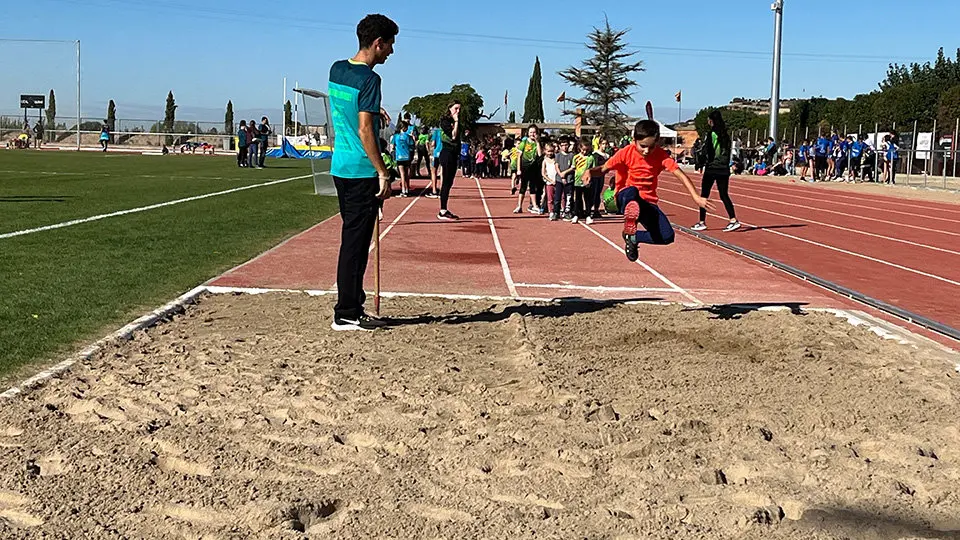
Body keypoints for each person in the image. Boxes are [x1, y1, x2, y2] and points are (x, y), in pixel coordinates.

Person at [327, 13, 398, 330]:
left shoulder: (337, 69)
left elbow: (347, 108)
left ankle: (352, 304)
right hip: (360, 171)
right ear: (377, 43)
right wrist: (382, 171)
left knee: (352, 240)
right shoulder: (371, 80)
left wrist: (370, 108)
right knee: (355, 245)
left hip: (339, 168)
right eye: (390, 45)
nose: (391, 52)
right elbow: (365, 131)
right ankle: (346, 312)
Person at [581, 120, 713, 262]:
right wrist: (589, 172)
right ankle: (631, 211)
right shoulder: (625, 153)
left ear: (657, 142)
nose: (646, 151)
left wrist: (696, 197)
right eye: (642, 146)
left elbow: (680, 174)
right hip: (624, 196)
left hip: (647, 202)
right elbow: (602, 169)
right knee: (632, 191)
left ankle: (632, 237)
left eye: (651, 147)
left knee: (667, 236)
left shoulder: (661, 156)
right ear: (634, 140)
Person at [691, 110, 739, 232]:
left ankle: (702, 222)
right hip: (724, 169)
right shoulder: (726, 135)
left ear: (711, 121)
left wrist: (699, 163)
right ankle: (733, 219)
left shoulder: (711, 134)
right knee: (724, 194)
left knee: (704, 195)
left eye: (708, 119)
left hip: (712, 168)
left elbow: (707, 151)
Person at [437, 100, 462, 220]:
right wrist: (456, 121)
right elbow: (453, 135)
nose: (458, 111)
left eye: (459, 109)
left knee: (450, 182)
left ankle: (444, 209)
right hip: (446, 153)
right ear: (450, 108)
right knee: (446, 182)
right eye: (456, 108)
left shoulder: (456, 121)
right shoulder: (445, 121)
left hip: (454, 154)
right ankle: (442, 210)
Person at [513, 125, 542, 213]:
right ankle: (519, 206)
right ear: (528, 133)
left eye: (534, 132)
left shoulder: (537, 143)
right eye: (531, 132)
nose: (532, 134)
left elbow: (540, 154)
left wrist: (537, 142)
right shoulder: (524, 143)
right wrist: (518, 169)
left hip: (534, 168)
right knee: (523, 187)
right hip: (524, 167)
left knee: (533, 187)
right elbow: (519, 156)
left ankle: (534, 206)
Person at [571, 138, 595, 224]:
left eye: (586, 150)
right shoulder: (576, 157)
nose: (584, 152)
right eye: (583, 150)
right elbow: (573, 168)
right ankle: (576, 214)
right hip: (577, 181)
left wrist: (589, 180)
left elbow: (592, 169)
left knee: (587, 199)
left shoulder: (591, 158)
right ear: (579, 148)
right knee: (577, 199)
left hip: (587, 182)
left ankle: (588, 215)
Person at [390, 120, 414, 196]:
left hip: (399, 157)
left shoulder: (395, 136)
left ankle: (403, 189)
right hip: (407, 156)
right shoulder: (408, 136)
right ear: (403, 127)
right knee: (406, 173)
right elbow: (412, 146)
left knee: (402, 174)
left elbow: (392, 146)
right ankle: (406, 189)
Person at [540, 142, 560, 220]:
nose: (550, 153)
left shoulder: (556, 159)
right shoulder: (544, 161)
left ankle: (559, 211)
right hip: (549, 183)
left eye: (551, 151)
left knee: (560, 197)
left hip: (558, 181)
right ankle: (551, 212)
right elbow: (543, 173)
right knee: (550, 198)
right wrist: (550, 180)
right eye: (548, 151)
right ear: (545, 151)